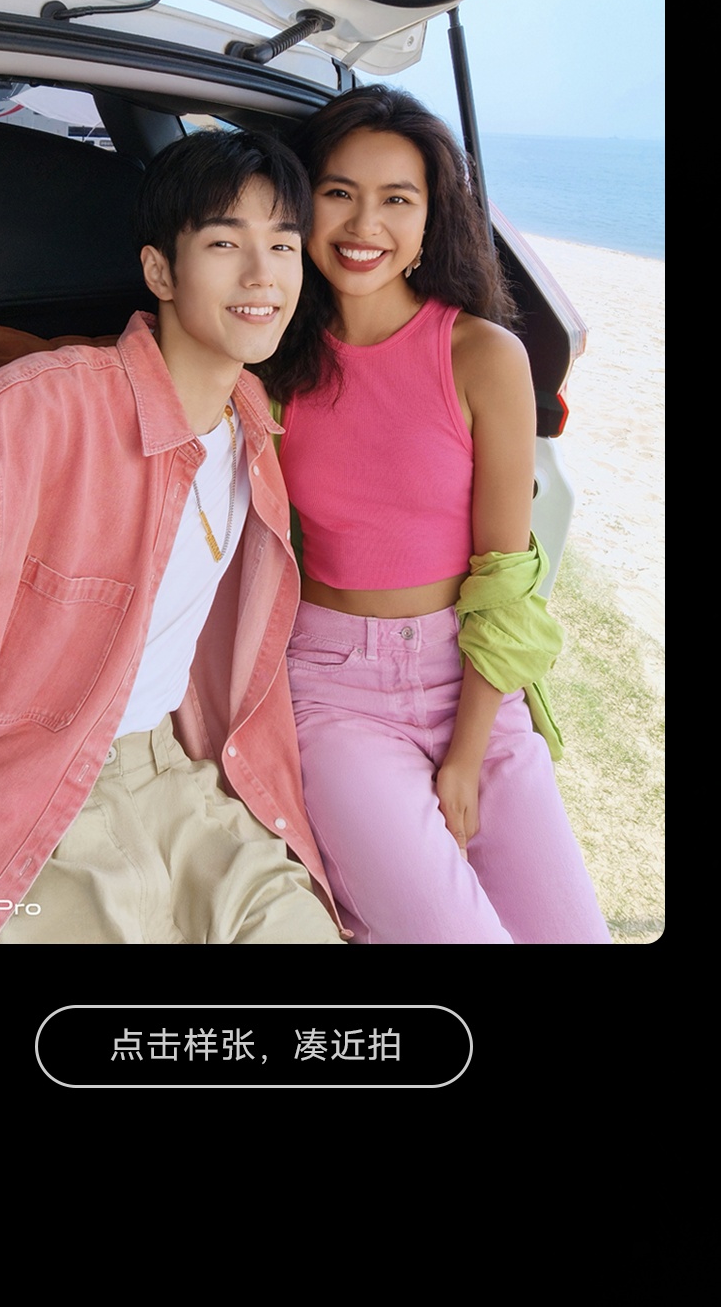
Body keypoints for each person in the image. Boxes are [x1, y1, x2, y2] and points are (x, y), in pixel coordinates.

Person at [0, 129, 346, 946]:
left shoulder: (254, 423)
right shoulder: (48, 404)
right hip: (24, 795)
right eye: (226, 243)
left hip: (182, 782)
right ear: (161, 271)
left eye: (283, 244)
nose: (263, 274)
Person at [260, 87, 611, 944]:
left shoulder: (484, 354)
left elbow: (505, 578)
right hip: (333, 693)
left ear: (430, 222)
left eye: (397, 199)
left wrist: (466, 752)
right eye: (338, 192)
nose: (363, 224)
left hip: (472, 683)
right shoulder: (272, 359)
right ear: (304, 205)